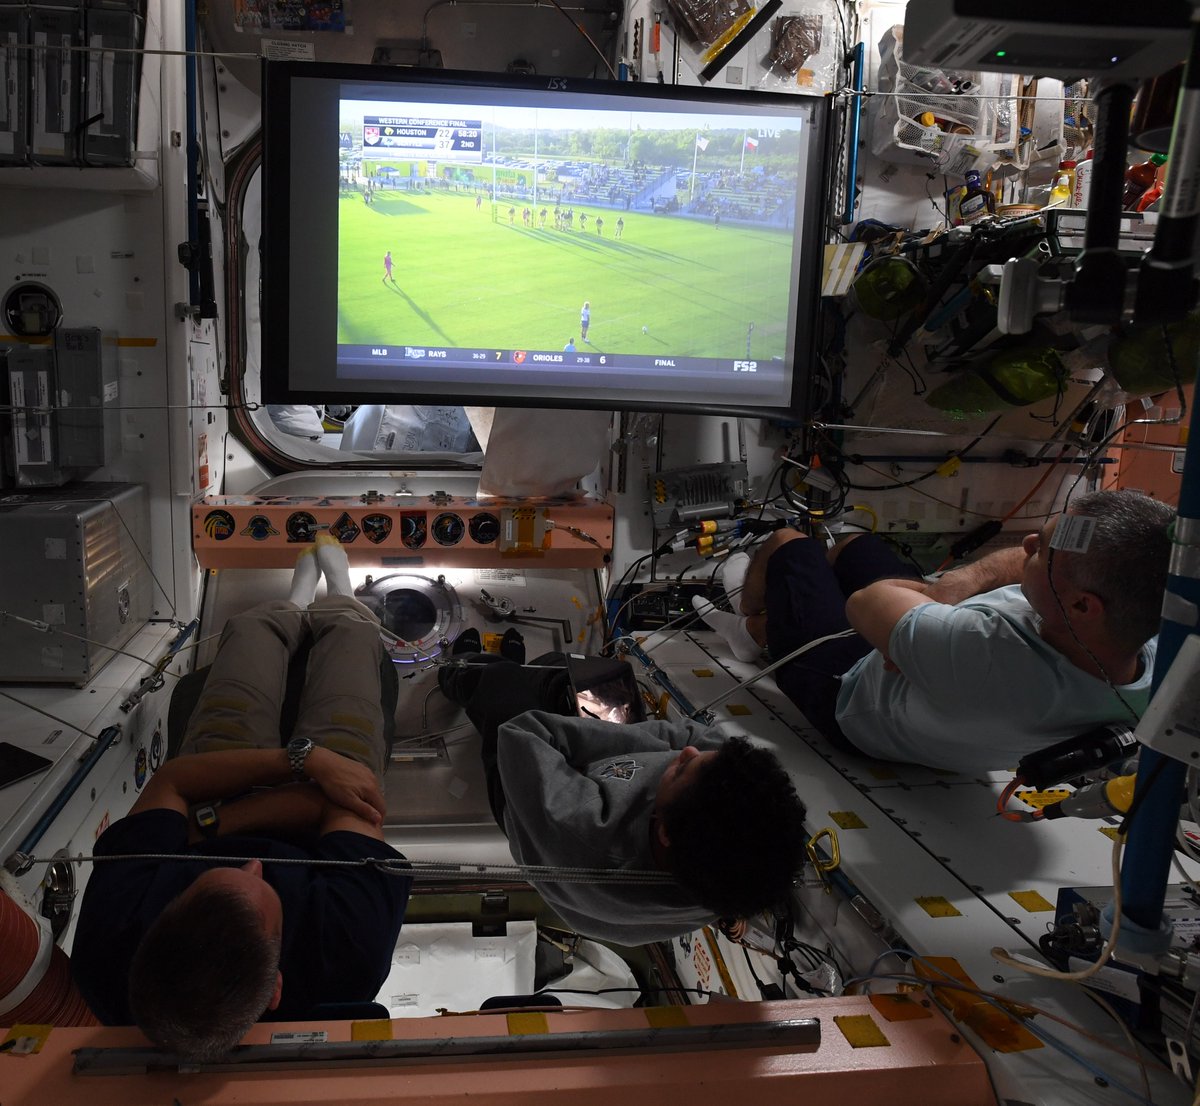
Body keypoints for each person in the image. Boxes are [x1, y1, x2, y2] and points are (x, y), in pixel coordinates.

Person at [71, 534, 412, 1060]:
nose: (256, 865)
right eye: (263, 890)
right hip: (293, 817)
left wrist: (296, 764)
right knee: (350, 658)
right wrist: (208, 828)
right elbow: (349, 804)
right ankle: (342, 601)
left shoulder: (109, 946)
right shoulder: (347, 957)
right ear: (276, 987)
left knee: (249, 633)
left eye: (200, 882)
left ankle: (295, 605)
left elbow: (173, 783)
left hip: (224, 798)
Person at [693, 490, 1173, 773]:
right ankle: (768, 627)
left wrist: (933, 610)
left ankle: (747, 621)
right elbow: (1021, 566)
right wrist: (955, 589)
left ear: (1082, 605)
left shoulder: (986, 657)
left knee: (790, 546)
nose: (1025, 544)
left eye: (1040, 552)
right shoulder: (1143, 644)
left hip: (849, 695)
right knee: (858, 546)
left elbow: (867, 605)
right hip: (921, 664)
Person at [438, 634, 808, 945]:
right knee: (566, 674)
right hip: (609, 787)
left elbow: (523, 734)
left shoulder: (578, 829)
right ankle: (518, 672)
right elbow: (702, 738)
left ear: (664, 829)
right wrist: (631, 741)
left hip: (530, 808)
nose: (688, 753)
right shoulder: (724, 874)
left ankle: (457, 671)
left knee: (497, 686)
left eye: (681, 770)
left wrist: (612, 741)